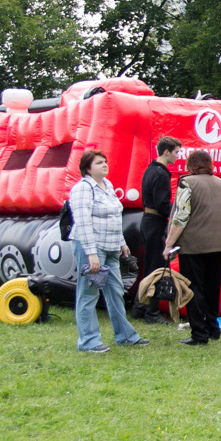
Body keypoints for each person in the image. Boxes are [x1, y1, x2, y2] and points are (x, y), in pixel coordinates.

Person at [68, 150, 146, 352]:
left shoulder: (108, 186)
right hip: (92, 248)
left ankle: (126, 336)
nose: (105, 165)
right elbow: (83, 221)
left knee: (116, 292)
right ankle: (89, 341)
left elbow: (114, 215)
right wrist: (91, 253)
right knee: (89, 293)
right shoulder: (83, 188)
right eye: (99, 162)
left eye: (105, 161)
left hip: (111, 247)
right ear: (88, 168)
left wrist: (122, 242)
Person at [164, 150, 221, 346]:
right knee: (212, 287)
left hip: (194, 245)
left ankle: (199, 334)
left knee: (193, 288)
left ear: (191, 165)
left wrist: (169, 243)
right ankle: (213, 328)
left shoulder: (187, 182)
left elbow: (181, 215)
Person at [133, 136, 180, 324]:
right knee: (157, 268)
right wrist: (179, 211)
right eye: (176, 152)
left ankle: (139, 307)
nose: (178, 156)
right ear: (166, 152)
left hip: (148, 220)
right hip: (156, 222)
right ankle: (151, 313)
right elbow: (162, 206)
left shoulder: (150, 169)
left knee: (150, 266)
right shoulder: (161, 174)